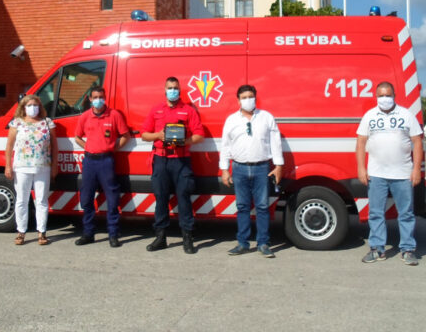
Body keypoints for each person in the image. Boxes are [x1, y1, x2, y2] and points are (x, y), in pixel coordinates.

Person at [356, 82, 423, 265]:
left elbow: (417, 142)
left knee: (406, 214)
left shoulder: (406, 115)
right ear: (376, 97)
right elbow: (361, 143)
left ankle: (408, 249)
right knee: (376, 213)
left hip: (402, 174)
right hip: (376, 174)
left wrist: (416, 169)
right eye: (381, 95)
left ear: (394, 95)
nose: (384, 99)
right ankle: (377, 249)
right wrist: (361, 168)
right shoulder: (369, 116)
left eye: (388, 95)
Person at [141, 76, 204, 254]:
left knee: (184, 198)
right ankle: (160, 238)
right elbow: (144, 134)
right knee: (160, 199)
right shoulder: (156, 110)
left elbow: (200, 135)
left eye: (175, 87)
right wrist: (158, 136)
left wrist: (185, 141)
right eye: (170, 87)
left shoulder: (188, 110)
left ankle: (187, 238)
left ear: (180, 90)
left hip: (181, 160)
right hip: (161, 159)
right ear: (165, 89)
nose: (173, 90)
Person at [219, 85, 284, 258]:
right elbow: (225, 145)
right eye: (244, 97)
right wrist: (224, 169)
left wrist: (278, 166)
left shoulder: (266, 117)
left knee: (262, 207)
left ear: (256, 97)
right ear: (238, 100)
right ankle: (243, 243)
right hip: (239, 168)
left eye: (250, 96)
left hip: (262, 168)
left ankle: (263, 243)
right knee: (242, 207)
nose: (248, 99)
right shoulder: (231, 120)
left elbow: (275, 142)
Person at [73, 87, 130, 248]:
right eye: (95, 97)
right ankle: (88, 233)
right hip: (90, 161)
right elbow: (77, 137)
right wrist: (88, 147)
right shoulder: (85, 116)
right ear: (90, 99)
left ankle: (113, 234)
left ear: (105, 98)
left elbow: (126, 136)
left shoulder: (114, 115)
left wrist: (112, 147)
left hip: (106, 161)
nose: (98, 99)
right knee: (87, 198)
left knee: (112, 198)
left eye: (101, 97)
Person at [4, 94, 58, 246]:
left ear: (40, 107)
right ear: (23, 107)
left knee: (41, 200)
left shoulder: (47, 123)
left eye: (35, 105)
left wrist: (55, 165)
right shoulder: (17, 123)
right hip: (22, 167)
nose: (32, 108)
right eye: (29, 105)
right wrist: (8, 165)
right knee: (22, 200)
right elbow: (9, 146)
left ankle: (42, 232)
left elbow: (54, 146)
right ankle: (21, 231)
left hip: (43, 167)